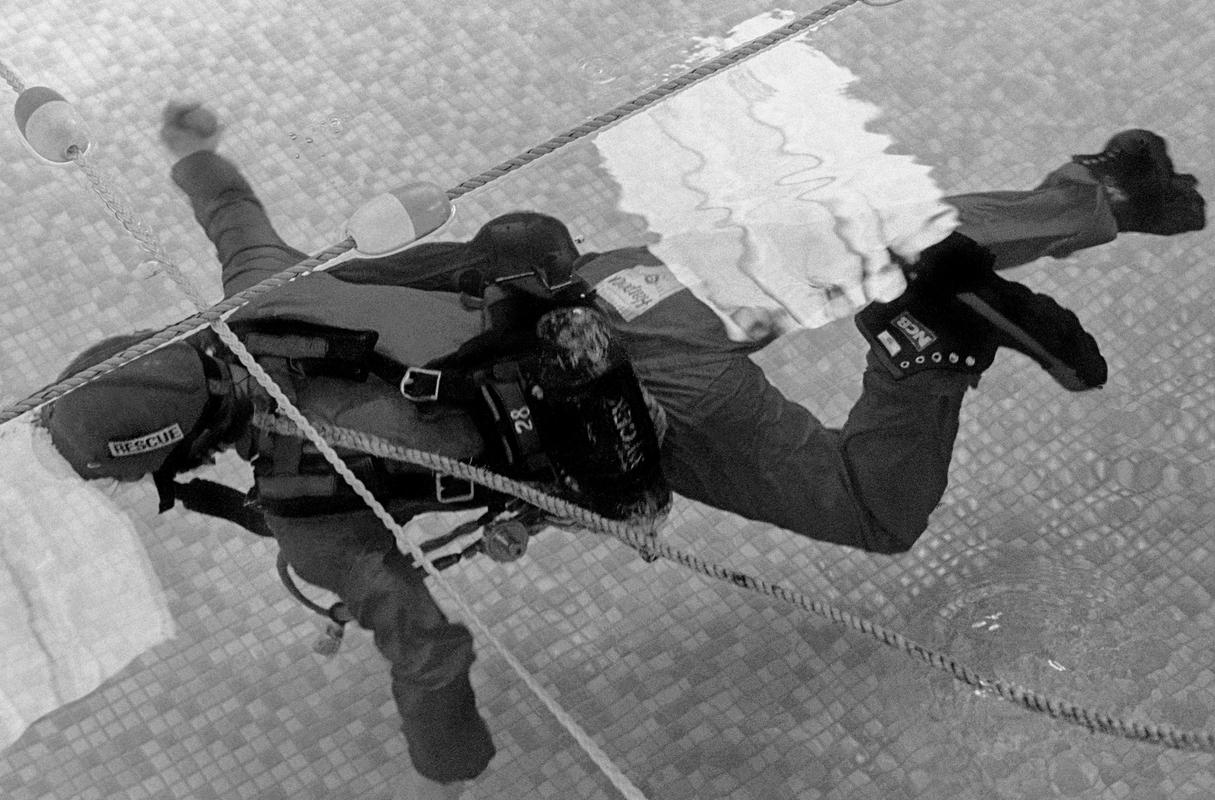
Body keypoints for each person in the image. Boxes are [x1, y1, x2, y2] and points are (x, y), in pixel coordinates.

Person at [43, 103, 1202, 797]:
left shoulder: (312, 514)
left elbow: (431, 649)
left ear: (173, 458)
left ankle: (924, 355)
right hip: (622, 295)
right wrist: (190, 148)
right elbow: (229, 211)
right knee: (867, 240)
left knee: (874, 511)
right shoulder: (262, 288)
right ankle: (1099, 193)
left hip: (640, 417)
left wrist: (452, 768)